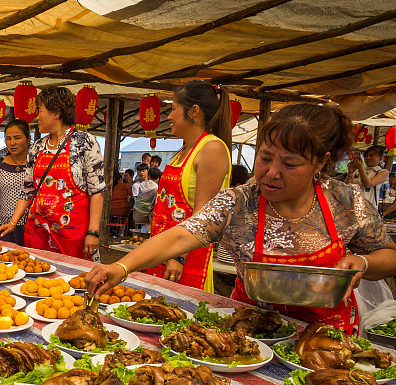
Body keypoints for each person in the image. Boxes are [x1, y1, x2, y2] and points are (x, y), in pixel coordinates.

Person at [84, 103, 396, 335]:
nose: (272, 172)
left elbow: (389, 256)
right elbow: (181, 235)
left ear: (320, 163)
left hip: (328, 338)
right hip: (250, 332)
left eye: (290, 164)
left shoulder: (346, 201)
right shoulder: (238, 201)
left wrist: (363, 263)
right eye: (265, 158)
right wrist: (121, 267)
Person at [145, 80, 232, 293]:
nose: (169, 116)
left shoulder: (212, 148)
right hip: (163, 250)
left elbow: (202, 214)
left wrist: (179, 257)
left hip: (186, 257)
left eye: (174, 109)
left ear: (194, 111)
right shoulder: (184, 150)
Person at [22, 86, 105, 260]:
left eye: (40, 111)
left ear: (56, 113)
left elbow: (97, 192)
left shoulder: (85, 142)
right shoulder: (37, 147)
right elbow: (28, 191)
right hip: (40, 232)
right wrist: (13, 223)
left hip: (73, 234)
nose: (37, 117)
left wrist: (93, 232)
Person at [349, 145, 388, 211]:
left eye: (371, 155)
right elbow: (346, 186)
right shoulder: (357, 172)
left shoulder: (383, 172)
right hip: (354, 207)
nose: (368, 158)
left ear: (380, 157)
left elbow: (367, 184)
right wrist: (350, 172)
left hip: (369, 210)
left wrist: (361, 168)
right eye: (366, 156)